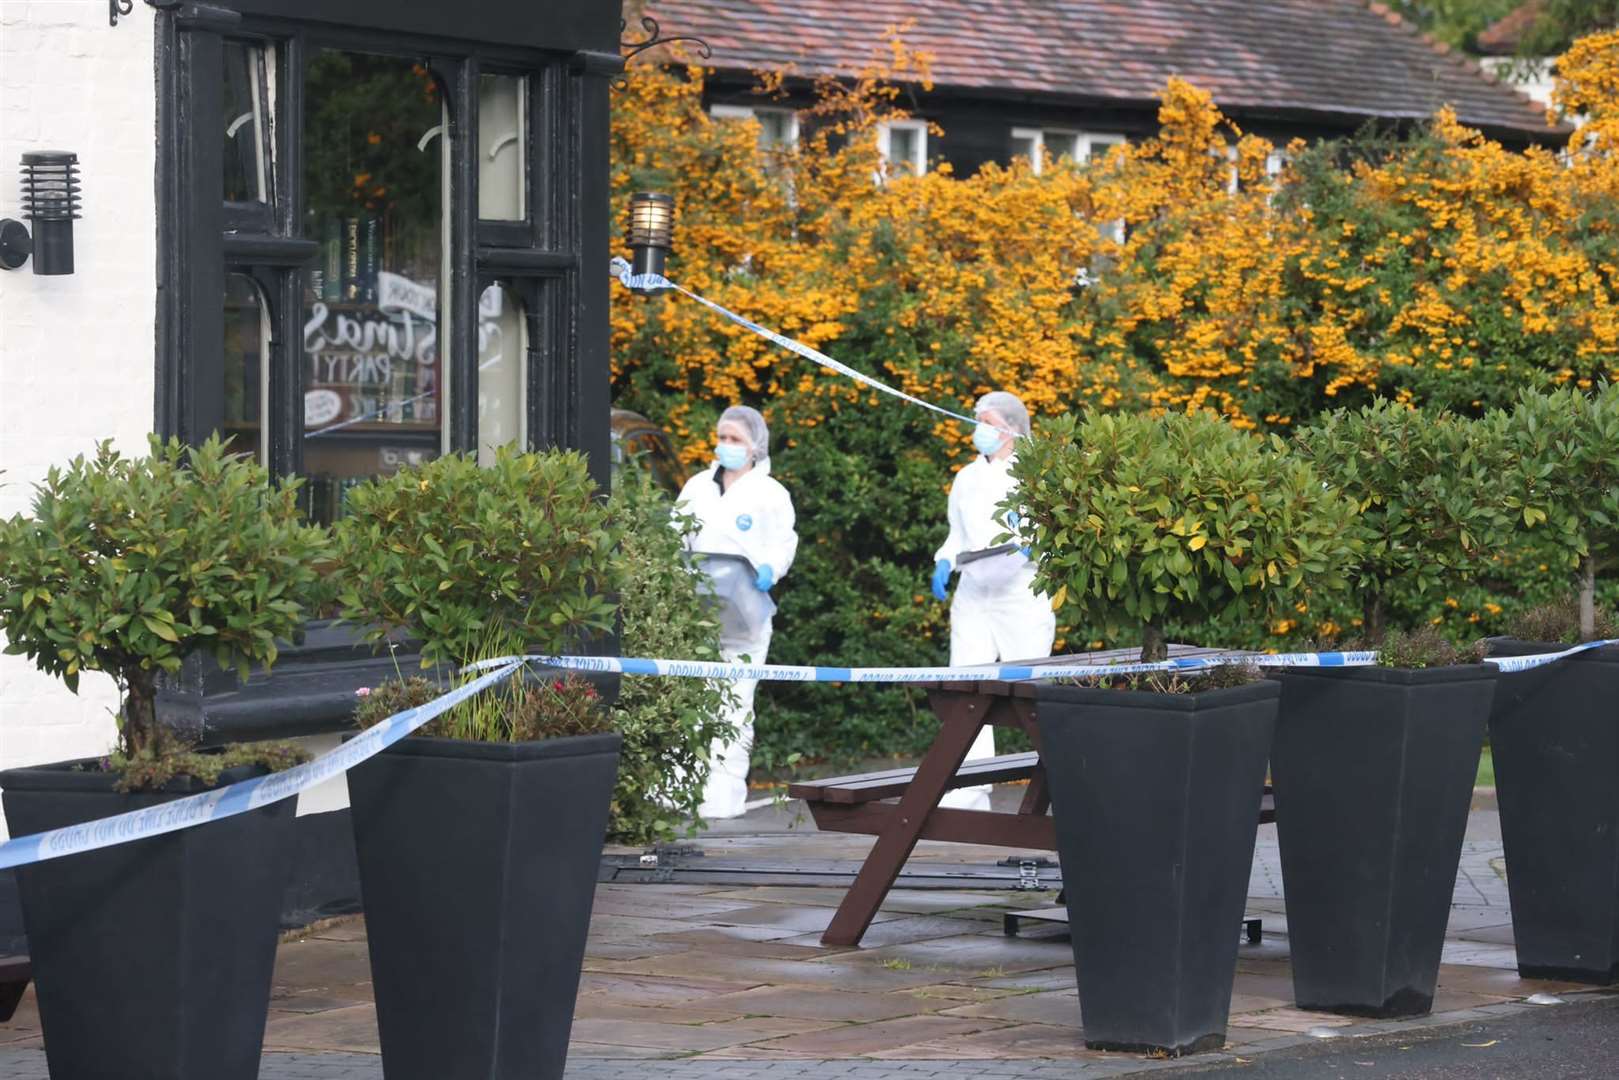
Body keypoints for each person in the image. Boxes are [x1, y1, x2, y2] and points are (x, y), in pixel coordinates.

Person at [930, 391, 1056, 811]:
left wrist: (1030, 548)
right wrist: (944, 561)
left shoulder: (1035, 472)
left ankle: (1054, 788)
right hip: (974, 592)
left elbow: (1051, 527)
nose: (978, 428)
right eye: (976, 420)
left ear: (1011, 428)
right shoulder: (966, 477)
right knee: (966, 686)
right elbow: (956, 533)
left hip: (1021, 591)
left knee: (1034, 693)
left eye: (987, 421)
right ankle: (967, 793)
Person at [676, 405, 798, 820]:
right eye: (722, 437)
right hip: (697, 614)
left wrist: (770, 569)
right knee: (690, 700)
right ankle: (679, 793)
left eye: (735, 440)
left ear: (754, 446)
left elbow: (784, 543)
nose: (726, 446)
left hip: (748, 618)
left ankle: (722, 799)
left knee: (734, 706)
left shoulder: (771, 494)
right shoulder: (697, 487)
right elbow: (675, 538)